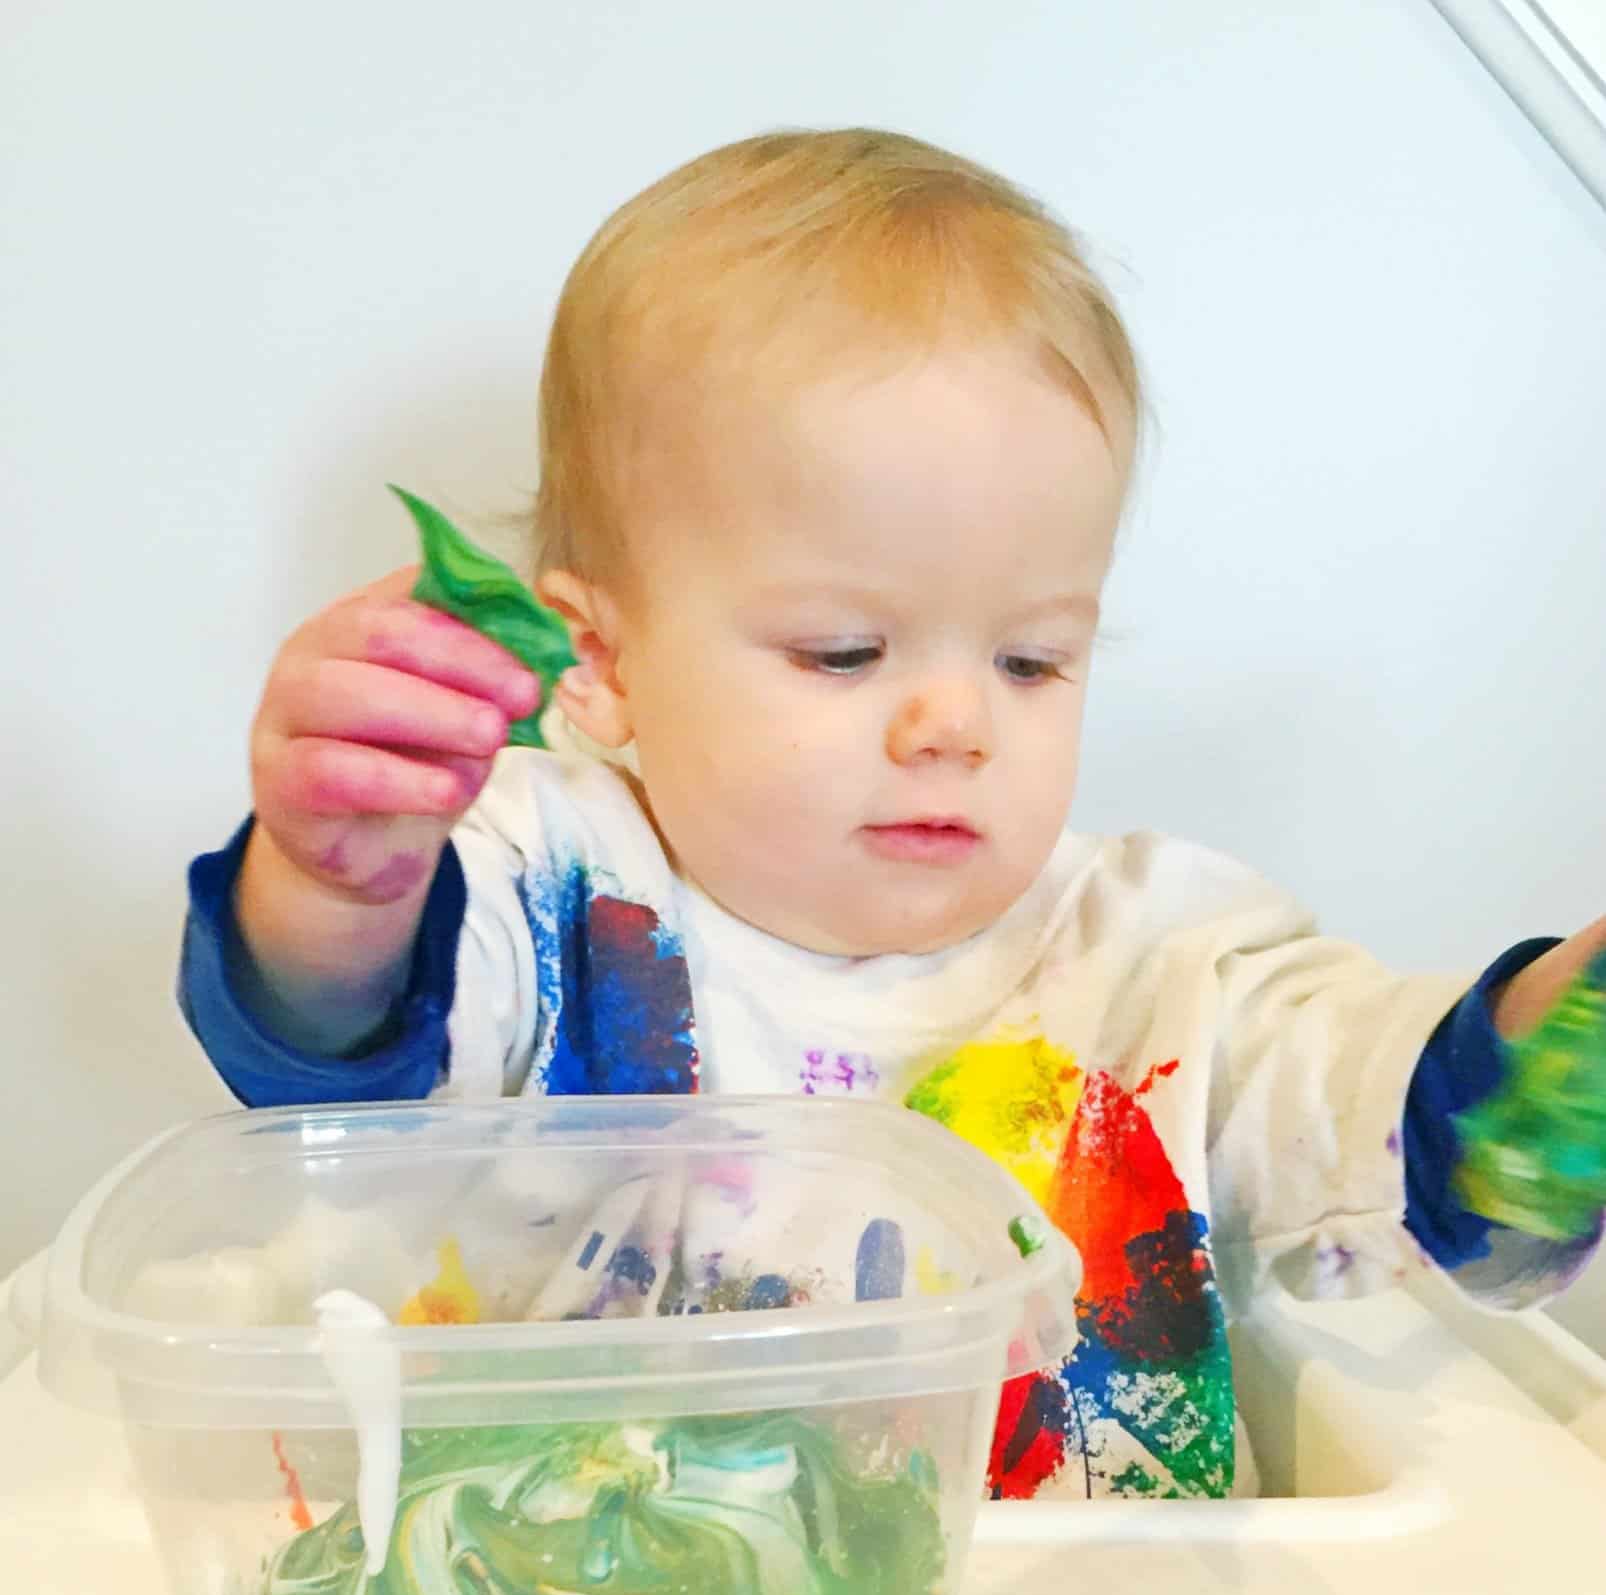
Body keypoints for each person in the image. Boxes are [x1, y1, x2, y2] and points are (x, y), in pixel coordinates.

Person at [177, 127, 1606, 1501]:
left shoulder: (1156, 962)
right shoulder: (552, 888)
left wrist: (1564, 1037)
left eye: (1030, 658)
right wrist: (341, 881)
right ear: (601, 665)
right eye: (845, 653)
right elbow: (332, 1051)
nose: (954, 723)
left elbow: (1404, 1109)